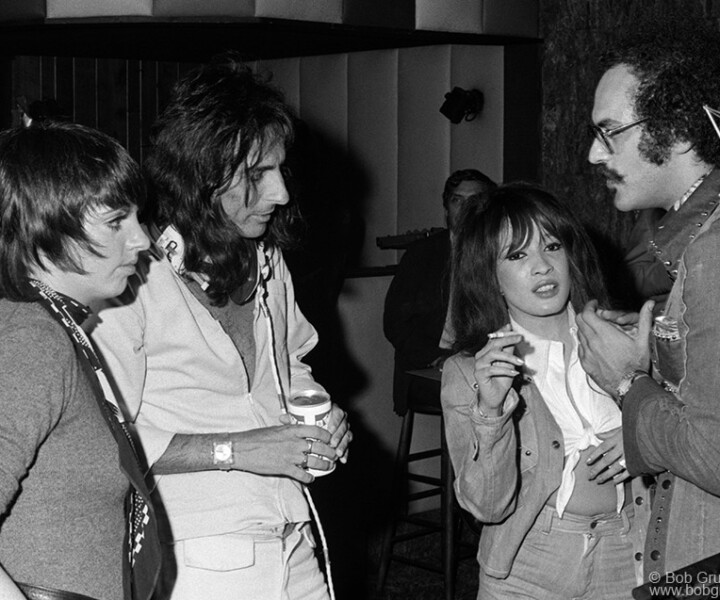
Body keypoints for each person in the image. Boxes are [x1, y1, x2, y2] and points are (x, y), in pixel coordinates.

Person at [91, 56, 352, 600]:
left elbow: (290, 365)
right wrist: (235, 450)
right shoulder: (130, 282)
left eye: (280, 170)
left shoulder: (268, 261)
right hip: (196, 556)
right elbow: (102, 436)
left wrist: (319, 411)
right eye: (257, 175)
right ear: (199, 178)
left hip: (295, 538)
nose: (280, 193)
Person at [441, 183, 650, 599]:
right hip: (528, 566)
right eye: (517, 255)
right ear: (491, 276)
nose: (541, 266)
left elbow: (696, 437)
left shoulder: (626, 339)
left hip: (630, 553)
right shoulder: (468, 372)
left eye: (552, 246)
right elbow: (487, 506)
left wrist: (645, 440)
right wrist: (491, 411)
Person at [576, 26, 720, 582]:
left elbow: (711, 454)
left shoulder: (711, 251)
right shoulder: (696, 239)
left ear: (678, 131)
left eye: (609, 132)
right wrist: (659, 341)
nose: (593, 154)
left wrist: (625, 381)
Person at [0, 121, 160, 600]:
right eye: (116, 222)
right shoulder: (33, 339)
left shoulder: (45, 326)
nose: (143, 240)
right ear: (45, 226)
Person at [383, 169, 496, 414]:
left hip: (485, 363)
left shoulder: (501, 253)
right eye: (457, 200)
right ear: (446, 208)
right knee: (469, 390)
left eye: (475, 201)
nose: (466, 208)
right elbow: (395, 324)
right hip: (428, 368)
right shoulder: (421, 255)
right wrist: (438, 357)